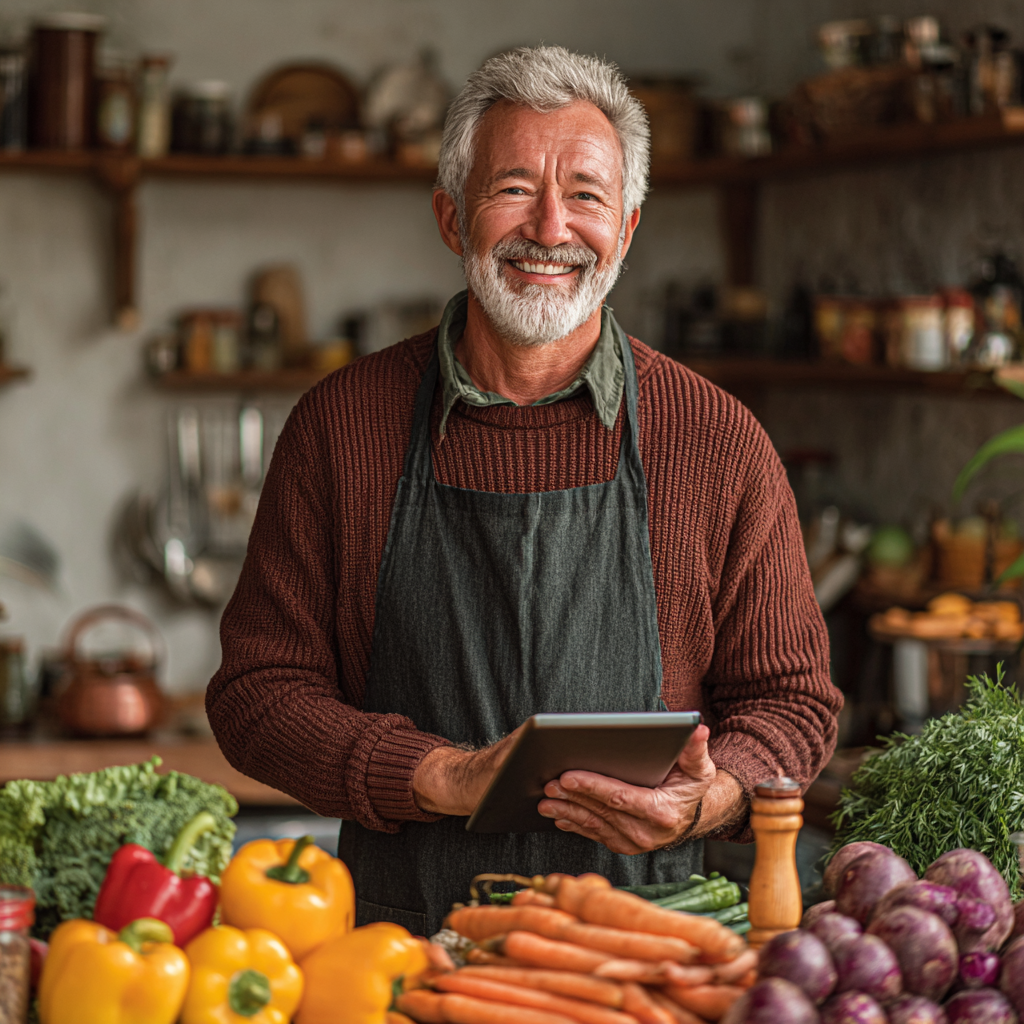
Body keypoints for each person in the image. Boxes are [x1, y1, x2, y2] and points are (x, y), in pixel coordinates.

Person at [207, 45, 842, 935]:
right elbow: (258, 694)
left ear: (624, 228)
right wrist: (439, 775)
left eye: (586, 194)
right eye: (513, 187)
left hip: (643, 955)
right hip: (404, 955)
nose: (550, 227)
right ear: (451, 218)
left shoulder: (718, 442)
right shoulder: (340, 428)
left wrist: (713, 797)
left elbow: (793, 700)